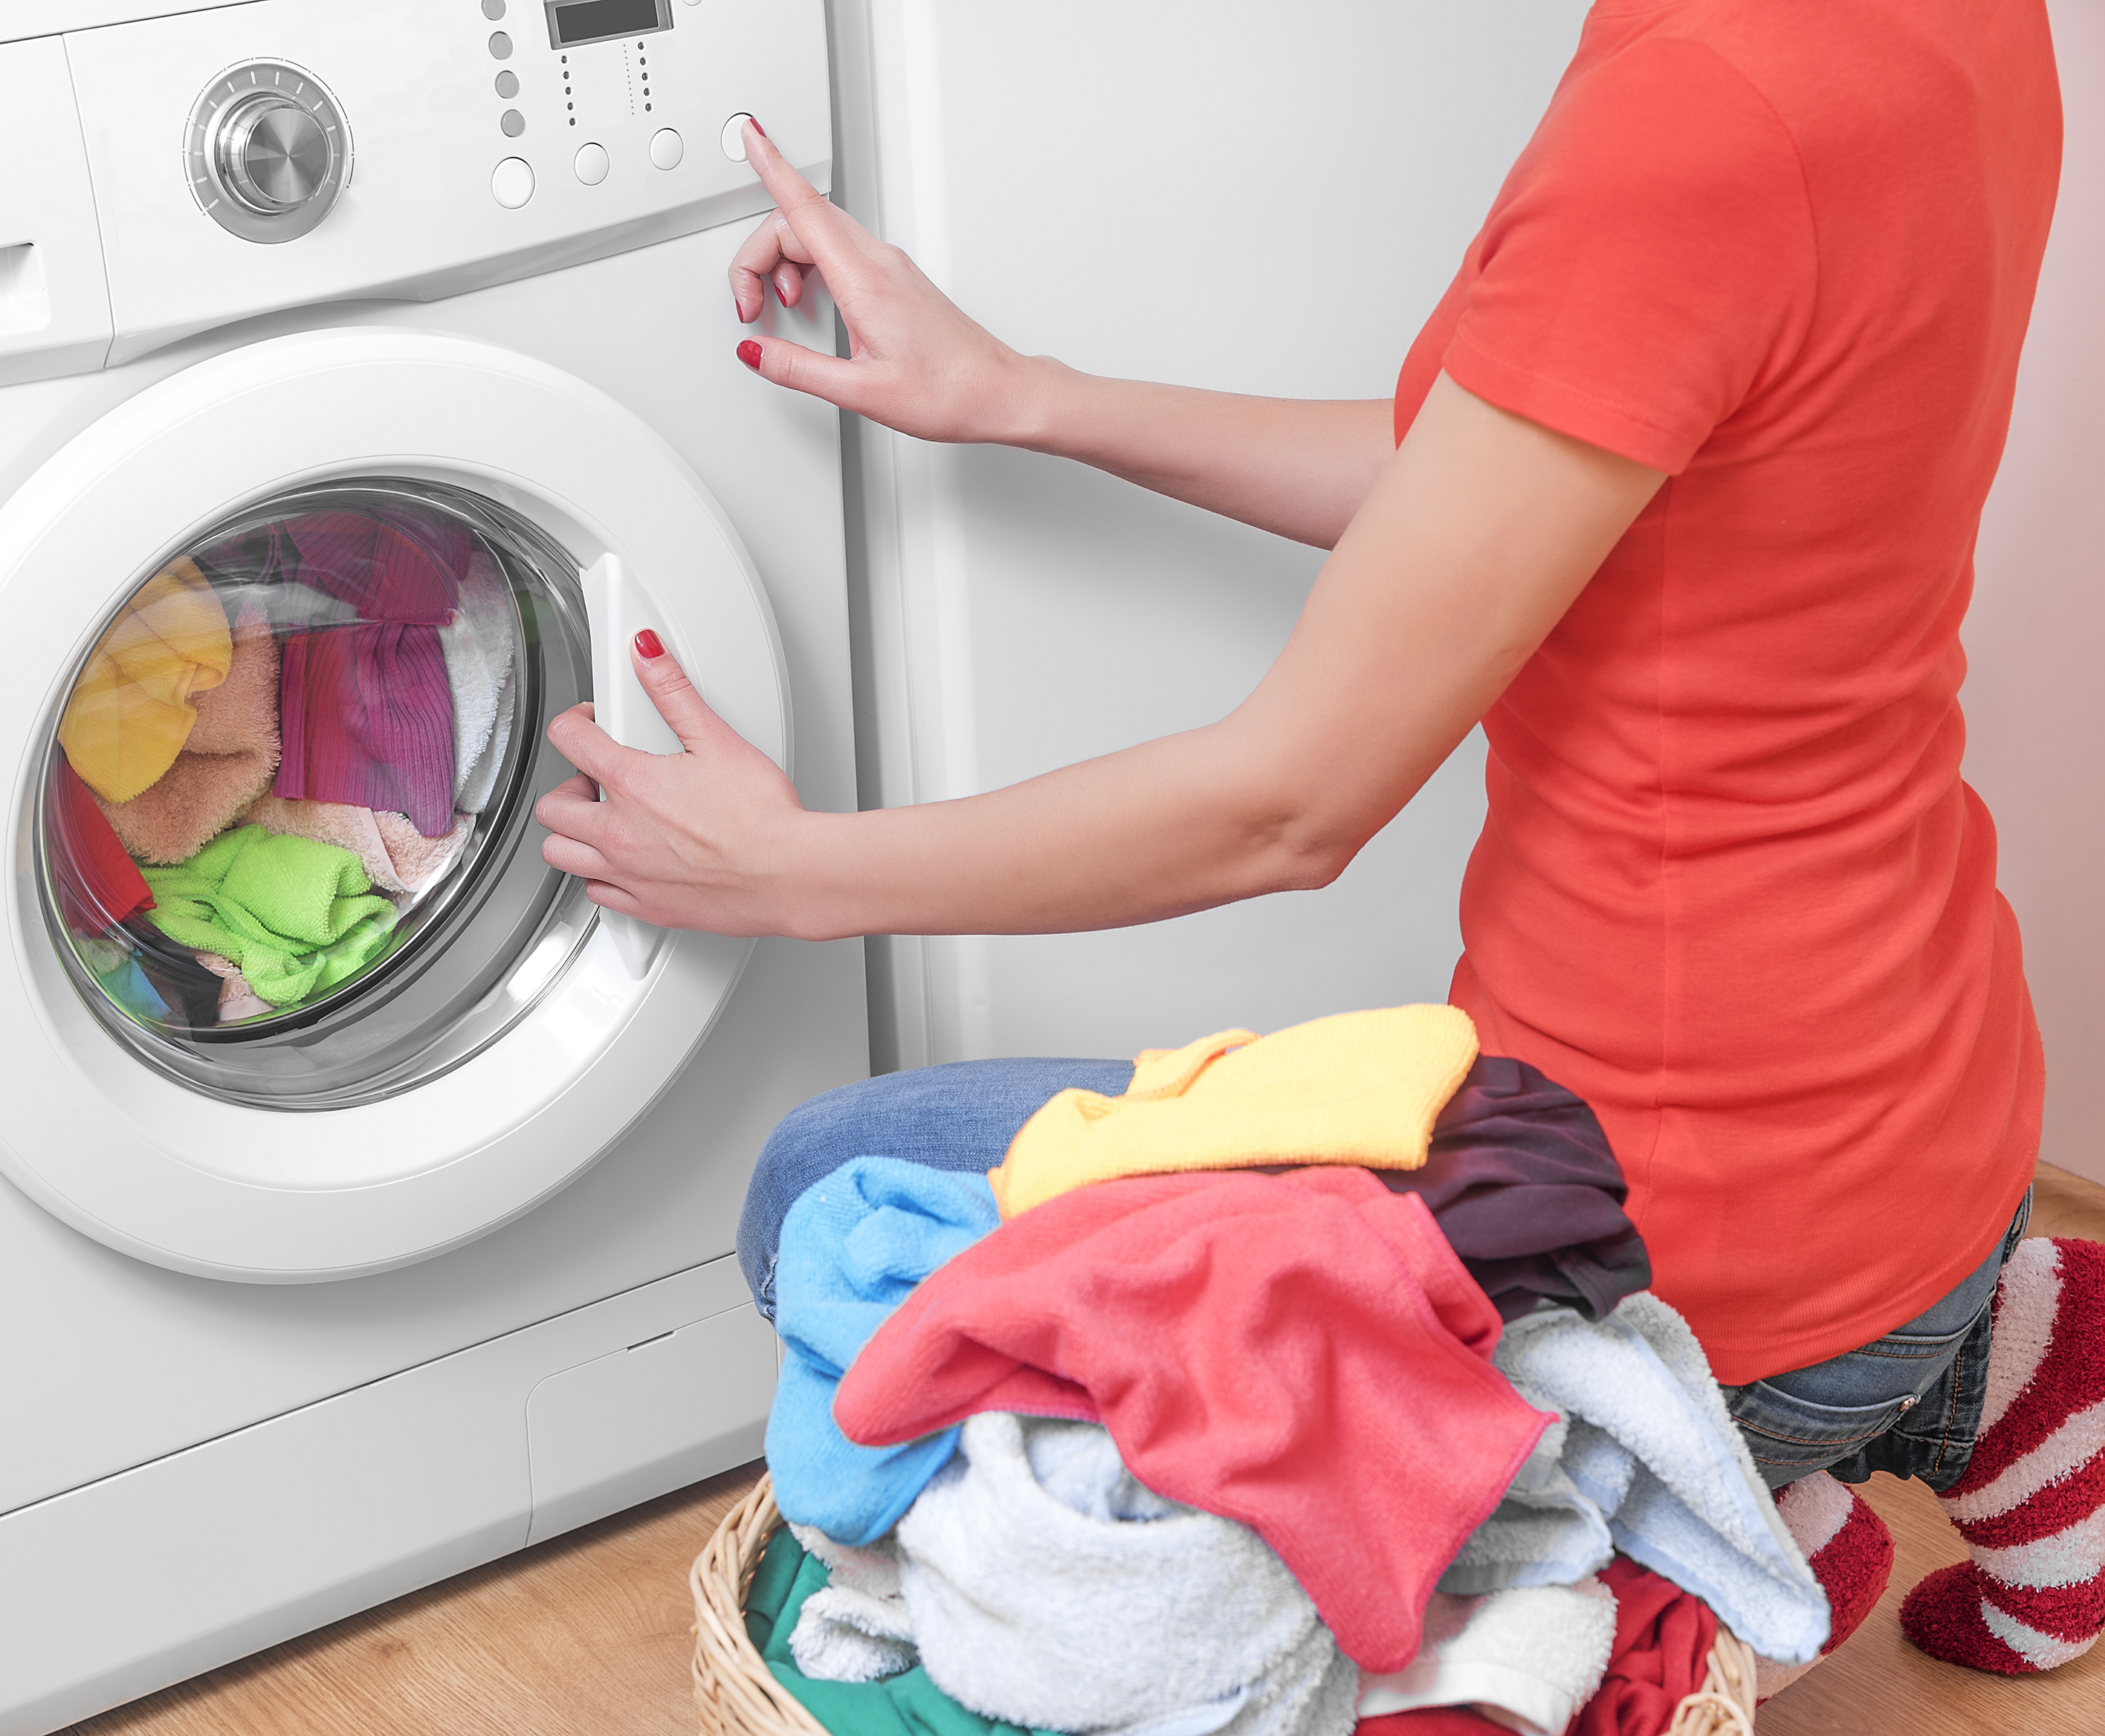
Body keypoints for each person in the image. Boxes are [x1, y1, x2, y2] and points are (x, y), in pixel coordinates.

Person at [534, 0, 2101, 1676]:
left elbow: (1287, 805)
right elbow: (1526, 467)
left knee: (824, 1198)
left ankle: (1699, 1525)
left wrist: (790, 872)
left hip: (1679, 1260)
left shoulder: (1705, 109)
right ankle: (1979, 1366)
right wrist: (1028, 398)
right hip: (1924, 1121)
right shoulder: (1940, 25)